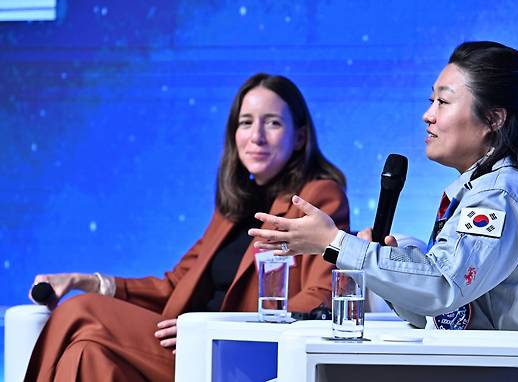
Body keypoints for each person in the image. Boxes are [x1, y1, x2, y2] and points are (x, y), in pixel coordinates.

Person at [25, 73, 349, 381]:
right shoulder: (232, 209)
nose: (256, 136)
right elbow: (175, 285)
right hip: (186, 345)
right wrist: (87, 280)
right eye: (246, 123)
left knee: (80, 311)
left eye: (273, 123)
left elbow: (320, 297)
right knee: (85, 354)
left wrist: (217, 328)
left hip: (232, 355)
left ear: (300, 137)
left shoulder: (317, 196)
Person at [248, 41, 518, 332]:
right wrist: (387, 264)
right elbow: (430, 312)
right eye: (430, 100)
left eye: (443, 102)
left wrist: (334, 243)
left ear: (494, 119)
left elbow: (443, 287)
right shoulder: (482, 191)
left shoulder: (499, 197)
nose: (427, 115)